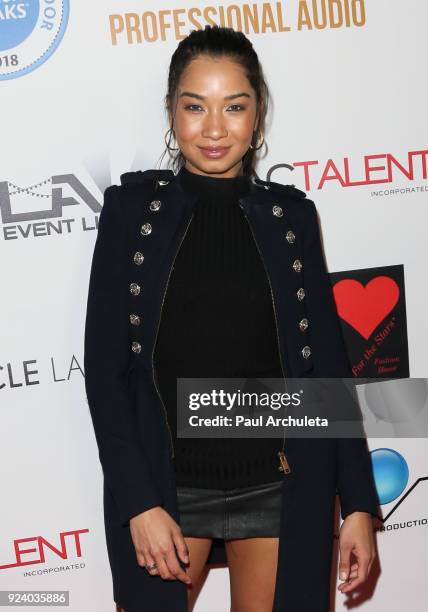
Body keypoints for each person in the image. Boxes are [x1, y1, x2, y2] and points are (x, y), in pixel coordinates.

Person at [84, 25, 379, 612]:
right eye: (195, 107)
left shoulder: (292, 218)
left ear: (258, 114)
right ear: (171, 111)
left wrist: (360, 505)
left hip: (280, 484)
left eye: (234, 107)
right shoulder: (130, 214)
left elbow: (326, 371)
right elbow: (106, 373)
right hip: (166, 492)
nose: (214, 129)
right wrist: (138, 503)